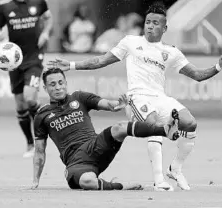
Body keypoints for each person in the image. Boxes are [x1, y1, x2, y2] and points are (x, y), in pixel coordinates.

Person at [47, 2, 222, 191]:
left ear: (165, 28)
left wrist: (218, 67)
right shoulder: (130, 42)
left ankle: (175, 168)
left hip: (160, 97)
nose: (150, 26)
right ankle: (159, 181)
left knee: (190, 123)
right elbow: (100, 61)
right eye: (148, 22)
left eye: (155, 23)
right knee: (154, 125)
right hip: (137, 97)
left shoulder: (171, 52)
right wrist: (71, 65)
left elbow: (197, 75)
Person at [31, 67, 180, 190]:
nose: (58, 87)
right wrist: (35, 181)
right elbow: (39, 151)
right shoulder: (42, 115)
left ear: (66, 83)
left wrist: (117, 105)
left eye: (60, 82)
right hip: (75, 162)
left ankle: (165, 130)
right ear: (44, 88)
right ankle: (120, 186)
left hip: (96, 146)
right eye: (52, 84)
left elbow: (107, 104)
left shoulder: (79, 97)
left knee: (119, 127)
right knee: (86, 182)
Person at [0, 0, 53, 157]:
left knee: (29, 97)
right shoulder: (4, 7)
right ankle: (30, 144)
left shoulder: (39, 3)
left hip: (34, 58)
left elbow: (48, 18)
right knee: (20, 105)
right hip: (14, 60)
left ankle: (43, 131)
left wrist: (46, 33)